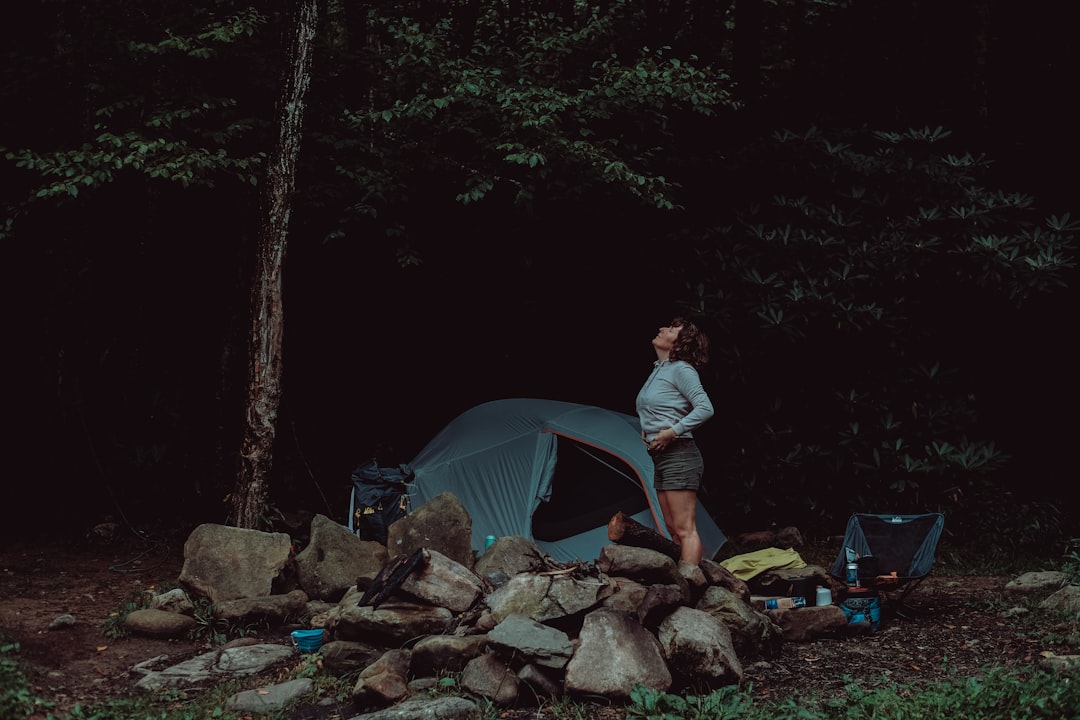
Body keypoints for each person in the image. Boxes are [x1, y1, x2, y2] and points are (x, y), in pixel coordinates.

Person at [636, 316, 714, 565]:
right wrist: (648, 430)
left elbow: (705, 408)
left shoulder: (682, 370)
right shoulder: (659, 369)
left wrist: (671, 432)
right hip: (661, 456)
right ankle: (684, 584)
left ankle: (691, 587)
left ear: (680, 344)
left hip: (680, 454)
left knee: (685, 529)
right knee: (672, 529)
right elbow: (661, 409)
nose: (662, 329)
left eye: (670, 329)